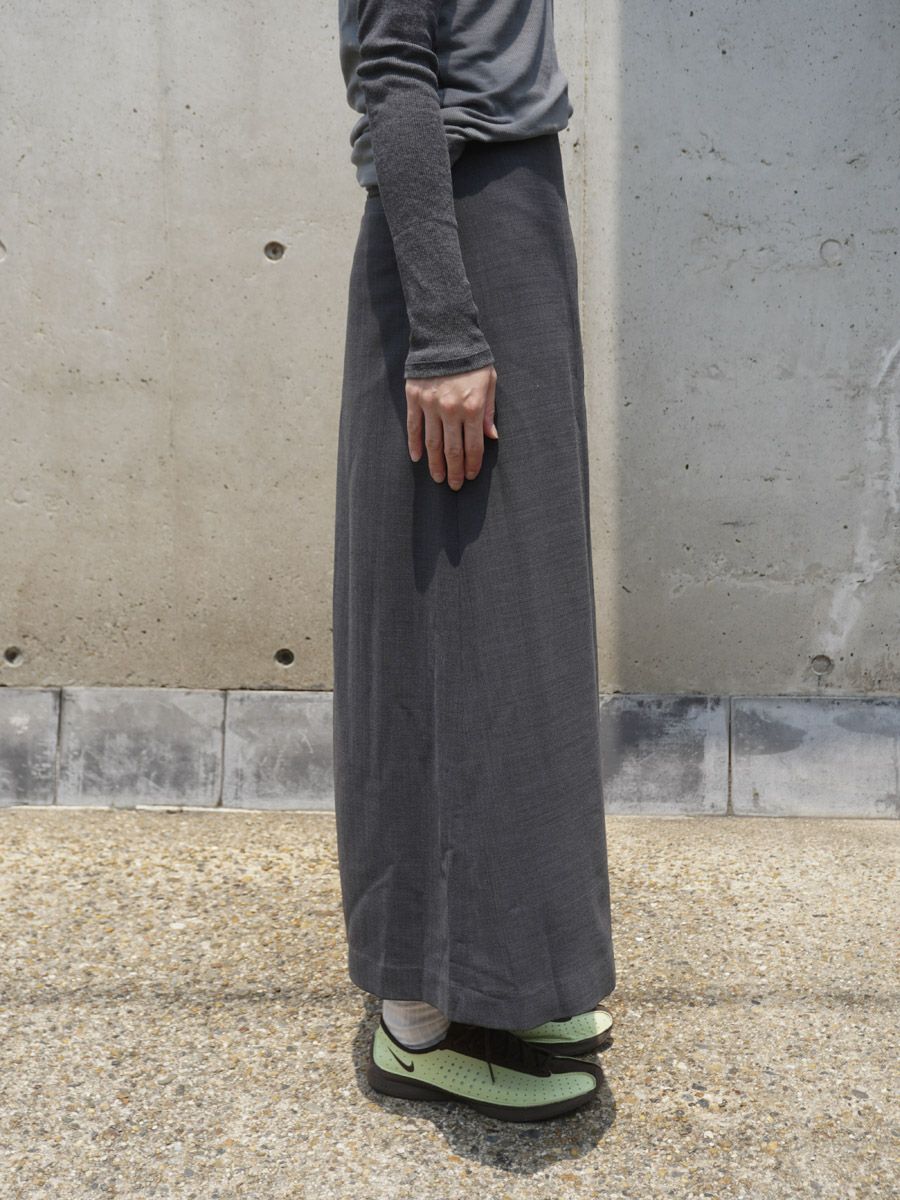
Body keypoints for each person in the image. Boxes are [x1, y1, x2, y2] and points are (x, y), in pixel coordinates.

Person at [332, 0, 616, 1122]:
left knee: (514, 627)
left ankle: (502, 973)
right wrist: (444, 328)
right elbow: (395, 71)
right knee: (428, 624)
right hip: (456, 226)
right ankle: (411, 1012)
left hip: (514, 209)